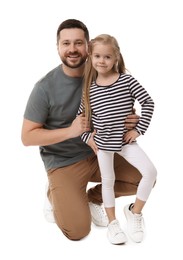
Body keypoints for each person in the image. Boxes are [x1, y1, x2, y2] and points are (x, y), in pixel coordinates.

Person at [21, 19, 143, 243]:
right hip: (64, 161)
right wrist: (70, 131)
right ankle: (54, 192)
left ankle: (93, 197)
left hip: (100, 152)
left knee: (145, 177)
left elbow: (121, 105)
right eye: (66, 43)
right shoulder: (44, 87)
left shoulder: (102, 71)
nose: (72, 49)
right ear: (57, 47)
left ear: (88, 46)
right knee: (78, 231)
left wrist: (129, 120)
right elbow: (27, 136)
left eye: (78, 43)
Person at [77, 34, 157, 244]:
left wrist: (138, 130)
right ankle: (113, 224)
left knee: (150, 172)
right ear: (91, 58)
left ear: (116, 58)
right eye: (97, 56)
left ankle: (135, 212)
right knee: (108, 181)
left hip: (125, 142)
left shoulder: (126, 80)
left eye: (107, 57)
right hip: (103, 144)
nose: (101, 61)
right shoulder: (89, 88)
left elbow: (148, 103)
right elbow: (82, 118)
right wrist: (88, 137)